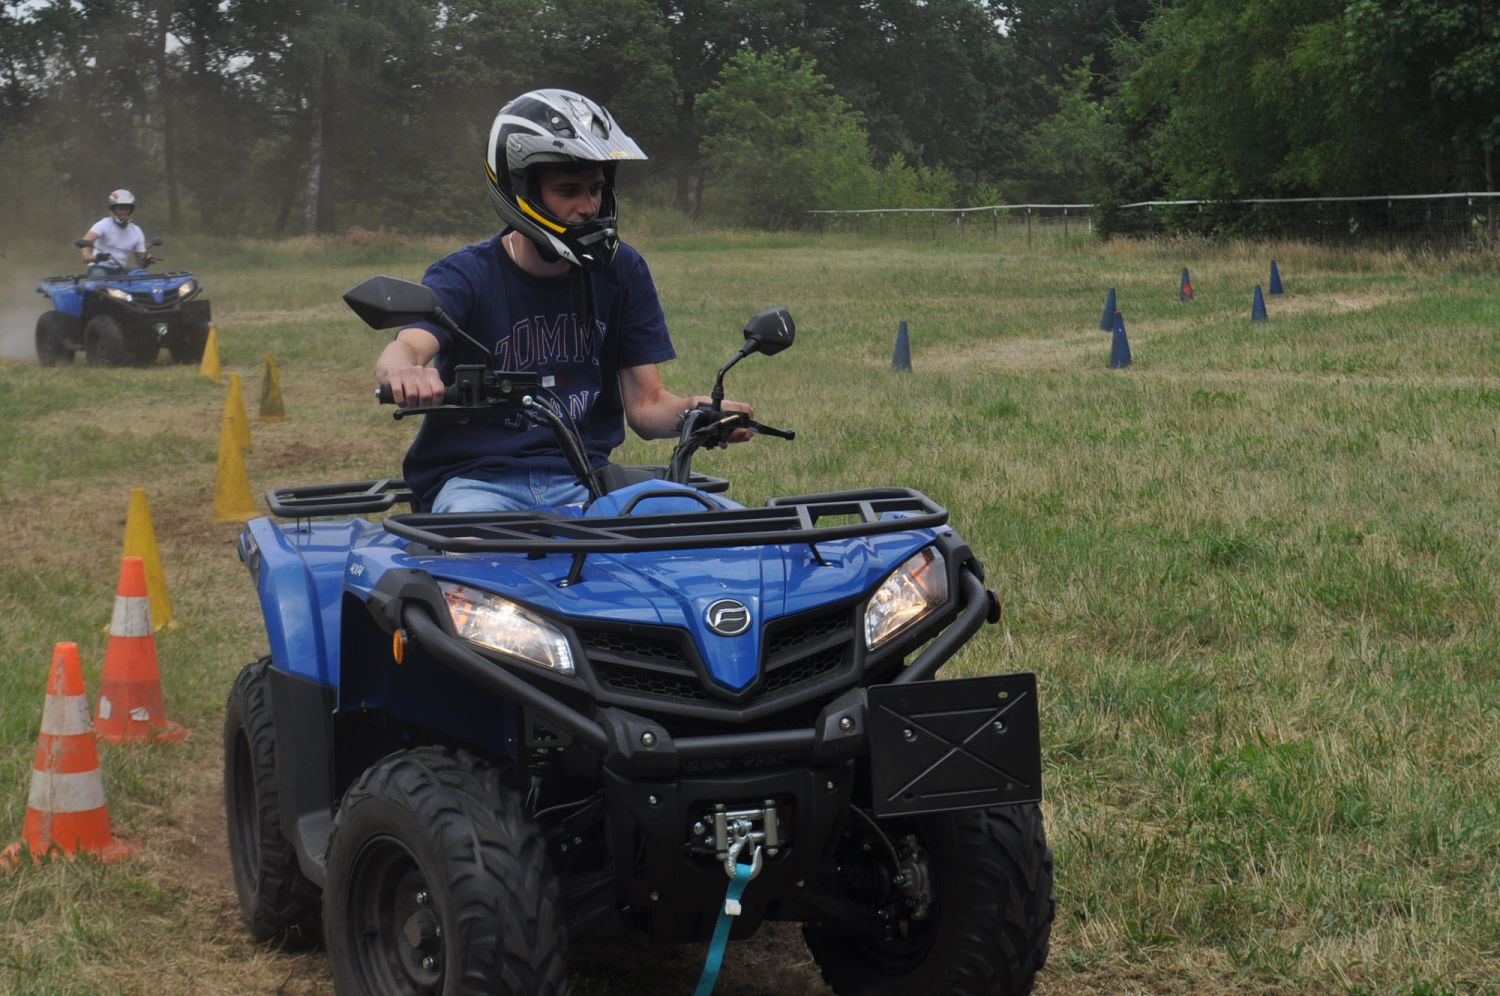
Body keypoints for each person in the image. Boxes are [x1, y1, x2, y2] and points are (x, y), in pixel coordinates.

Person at [376, 88, 752, 513]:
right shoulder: (466, 275)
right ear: (522, 191)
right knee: (485, 544)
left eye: (596, 188)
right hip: (477, 484)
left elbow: (647, 407)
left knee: (725, 525)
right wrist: (406, 373)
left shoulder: (621, 270)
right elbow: (406, 347)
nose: (589, 207)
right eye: (568, 190)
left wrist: (697, 415)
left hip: (585, 481)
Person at [82, 189, 150, 277]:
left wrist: (147, 259)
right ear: (113, 210)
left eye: (126, 209)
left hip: (120, 270)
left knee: (142, 275)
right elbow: (85, 241)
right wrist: (89, 256)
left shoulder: (136, 231)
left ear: (131, 210)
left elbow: (141, 261)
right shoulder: (103, 225)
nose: (123, 212)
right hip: (99, 267)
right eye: (120, 209)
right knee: (99, 276)